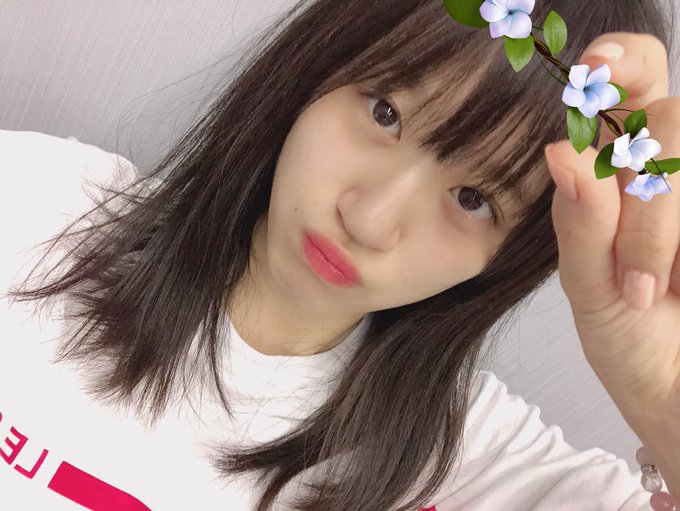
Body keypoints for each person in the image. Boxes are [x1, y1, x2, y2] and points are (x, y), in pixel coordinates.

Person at [0, 0, 677, 510]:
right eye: (386, 113)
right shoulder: (37, 203)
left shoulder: (475, 459)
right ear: (317, 68)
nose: (370, 219)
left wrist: (663, 397)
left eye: (473, 199)